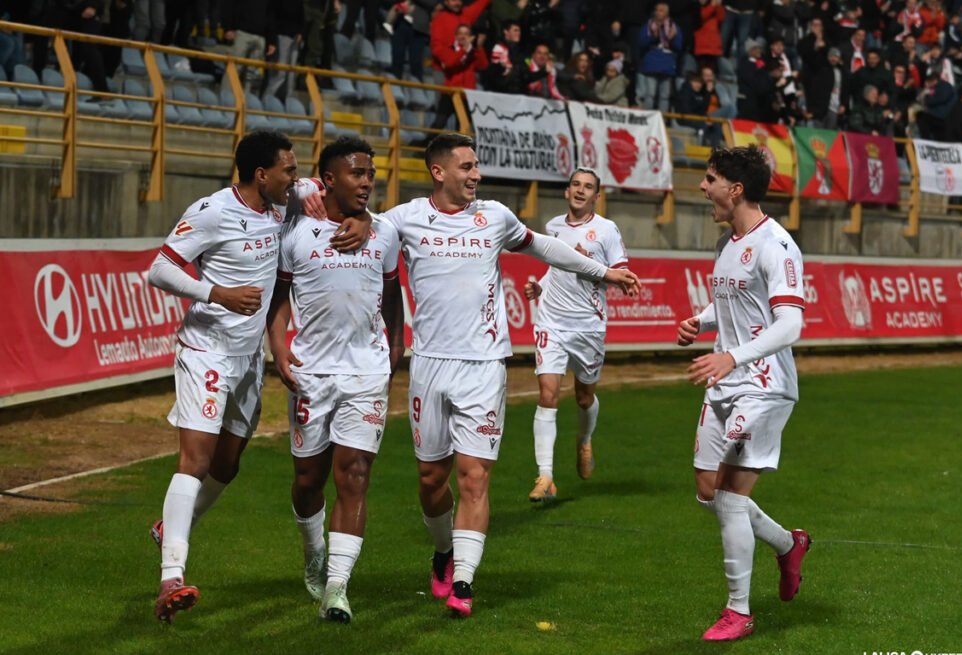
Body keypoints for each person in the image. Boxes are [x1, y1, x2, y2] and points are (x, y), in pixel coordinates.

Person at [368, 133, 640, 617]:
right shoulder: (403, 220)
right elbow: (354, 220)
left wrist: (605, 274)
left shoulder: (494, 215)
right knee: (432, 479)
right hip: (429, 365)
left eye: (478, 167)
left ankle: (466, 583)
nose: (476, 174)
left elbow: (547, 248)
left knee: (474, 478)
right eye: (467, 166)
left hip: (485, 365)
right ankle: (445, 554)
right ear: (438, 172)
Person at [146, 131, 366, 624]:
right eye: (288, 170)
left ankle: (171, 527)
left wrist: (365, 221)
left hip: (247, 361)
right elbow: (159, 270)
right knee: (196, 460)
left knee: (227, 465)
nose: (296, 177)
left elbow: (339, 194)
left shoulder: (287, 200)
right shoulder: (213, 211)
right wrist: (215, 293)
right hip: (206, 351)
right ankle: (171, 577)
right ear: (260, 174)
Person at [267, 137, 404, 623]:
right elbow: (279, 298)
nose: (367, 182)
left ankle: (338, 587)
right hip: (311, 374)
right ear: (328, 180)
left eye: (371, 174)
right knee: (308, 481)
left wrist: (395, 343)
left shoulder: (383, 232)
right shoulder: (295, 231)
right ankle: (313, 554)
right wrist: (279, 347)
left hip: (365, 373)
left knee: (355, 475)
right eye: (357, 174)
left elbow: (392, 294)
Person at [676, 145, 810, 642]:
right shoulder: (728, 241)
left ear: (735, 189)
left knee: (730, 497)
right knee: (707, 491)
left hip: (764, 386)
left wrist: (734, 356)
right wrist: (701, 319)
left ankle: (738, 611)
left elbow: (791, 323)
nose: (702, 186)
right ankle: (787, 544)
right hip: (726, 384)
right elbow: (731, 300)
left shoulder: (777, 245)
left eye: (709, 179)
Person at [523, 167, 628, 502]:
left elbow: (620, 273)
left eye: (589, 187)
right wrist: (539, 284)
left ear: (597, 196)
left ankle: (584, 441)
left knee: (584, 397)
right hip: (551, 322)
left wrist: (589, 267)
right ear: (567, 191)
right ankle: (546, 476)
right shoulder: (553, 227)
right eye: (576, 185)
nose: (581, 191)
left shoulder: (606, 230)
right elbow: (555, 268)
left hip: (588, 326)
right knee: (548, 394)